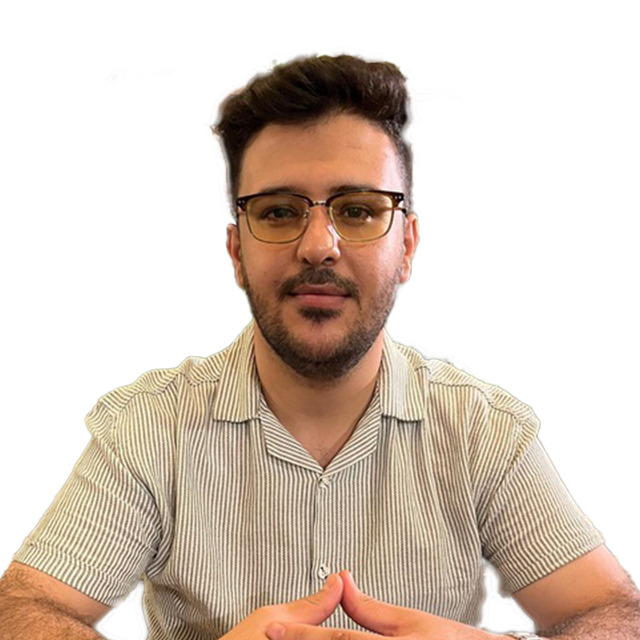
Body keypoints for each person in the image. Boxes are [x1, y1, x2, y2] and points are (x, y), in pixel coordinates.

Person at [1, 54, 639, 640]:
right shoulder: (149, 427)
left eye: (357, 210)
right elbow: (23, 611)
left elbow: (611, 613)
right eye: (279, 211)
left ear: (407, 246)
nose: (318, 246)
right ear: (237, 252)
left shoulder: (483, 430)